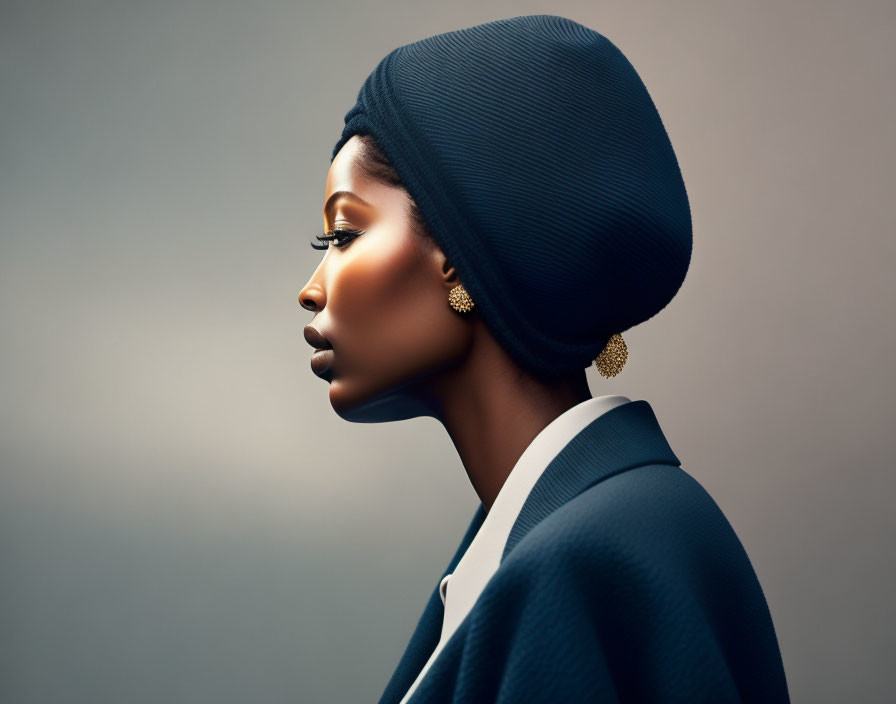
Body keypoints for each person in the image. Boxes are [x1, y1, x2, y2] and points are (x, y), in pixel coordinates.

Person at [298, 14, 790, 703]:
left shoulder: (585, 562)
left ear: (459, 255)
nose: (311, 289)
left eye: (345, 234)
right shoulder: (605, 528)